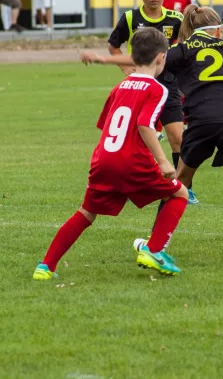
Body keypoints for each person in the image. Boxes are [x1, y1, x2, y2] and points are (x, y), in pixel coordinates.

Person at [81, 5, 223, 265]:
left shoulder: (182, 49)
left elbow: (144, 60)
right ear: (218, 29)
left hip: (201, 124)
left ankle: (156, 243)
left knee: (178, 185)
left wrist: (102, 59)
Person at [33, 28, 189, 280]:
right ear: (162, 58)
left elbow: (107, 125)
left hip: (104, 159)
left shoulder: (120, 86)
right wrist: (163, 161)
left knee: (86, 213)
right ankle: (153, 250)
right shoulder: (157, 89)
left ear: (133, 57)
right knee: (179, 193)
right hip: (132, 161)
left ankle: (46, 266)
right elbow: (143, 124)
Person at [108, 0, 200, 205]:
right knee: (133, 140)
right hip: (140, 86)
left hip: (168, 85)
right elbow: (113, 45)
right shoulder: (130, 18)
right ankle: (126, 185)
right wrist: (125, 68)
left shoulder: (176, 19)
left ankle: (184, 188)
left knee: (177, 137)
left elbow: (187, 46)